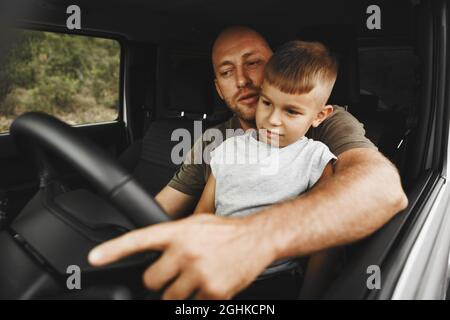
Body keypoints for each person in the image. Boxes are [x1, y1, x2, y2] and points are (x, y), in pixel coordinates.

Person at [88, 26, 408, 300]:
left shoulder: (326, 124)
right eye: (227, 72)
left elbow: (381, 189)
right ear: (218, 87)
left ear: (274, 66)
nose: (242, 79)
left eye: (253, 63)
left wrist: (256, 238)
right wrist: (104, 249)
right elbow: (162, 211)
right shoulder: (216, 143)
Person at [192, 40, 338, 298]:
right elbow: (204, 213)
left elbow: (324, 238)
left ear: (319, 116)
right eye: (267, 103)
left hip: (275, 282)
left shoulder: (315, 159)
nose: (272, 119)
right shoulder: (228, 149)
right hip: (216, 274)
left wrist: (310, 294)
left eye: (291, 111)